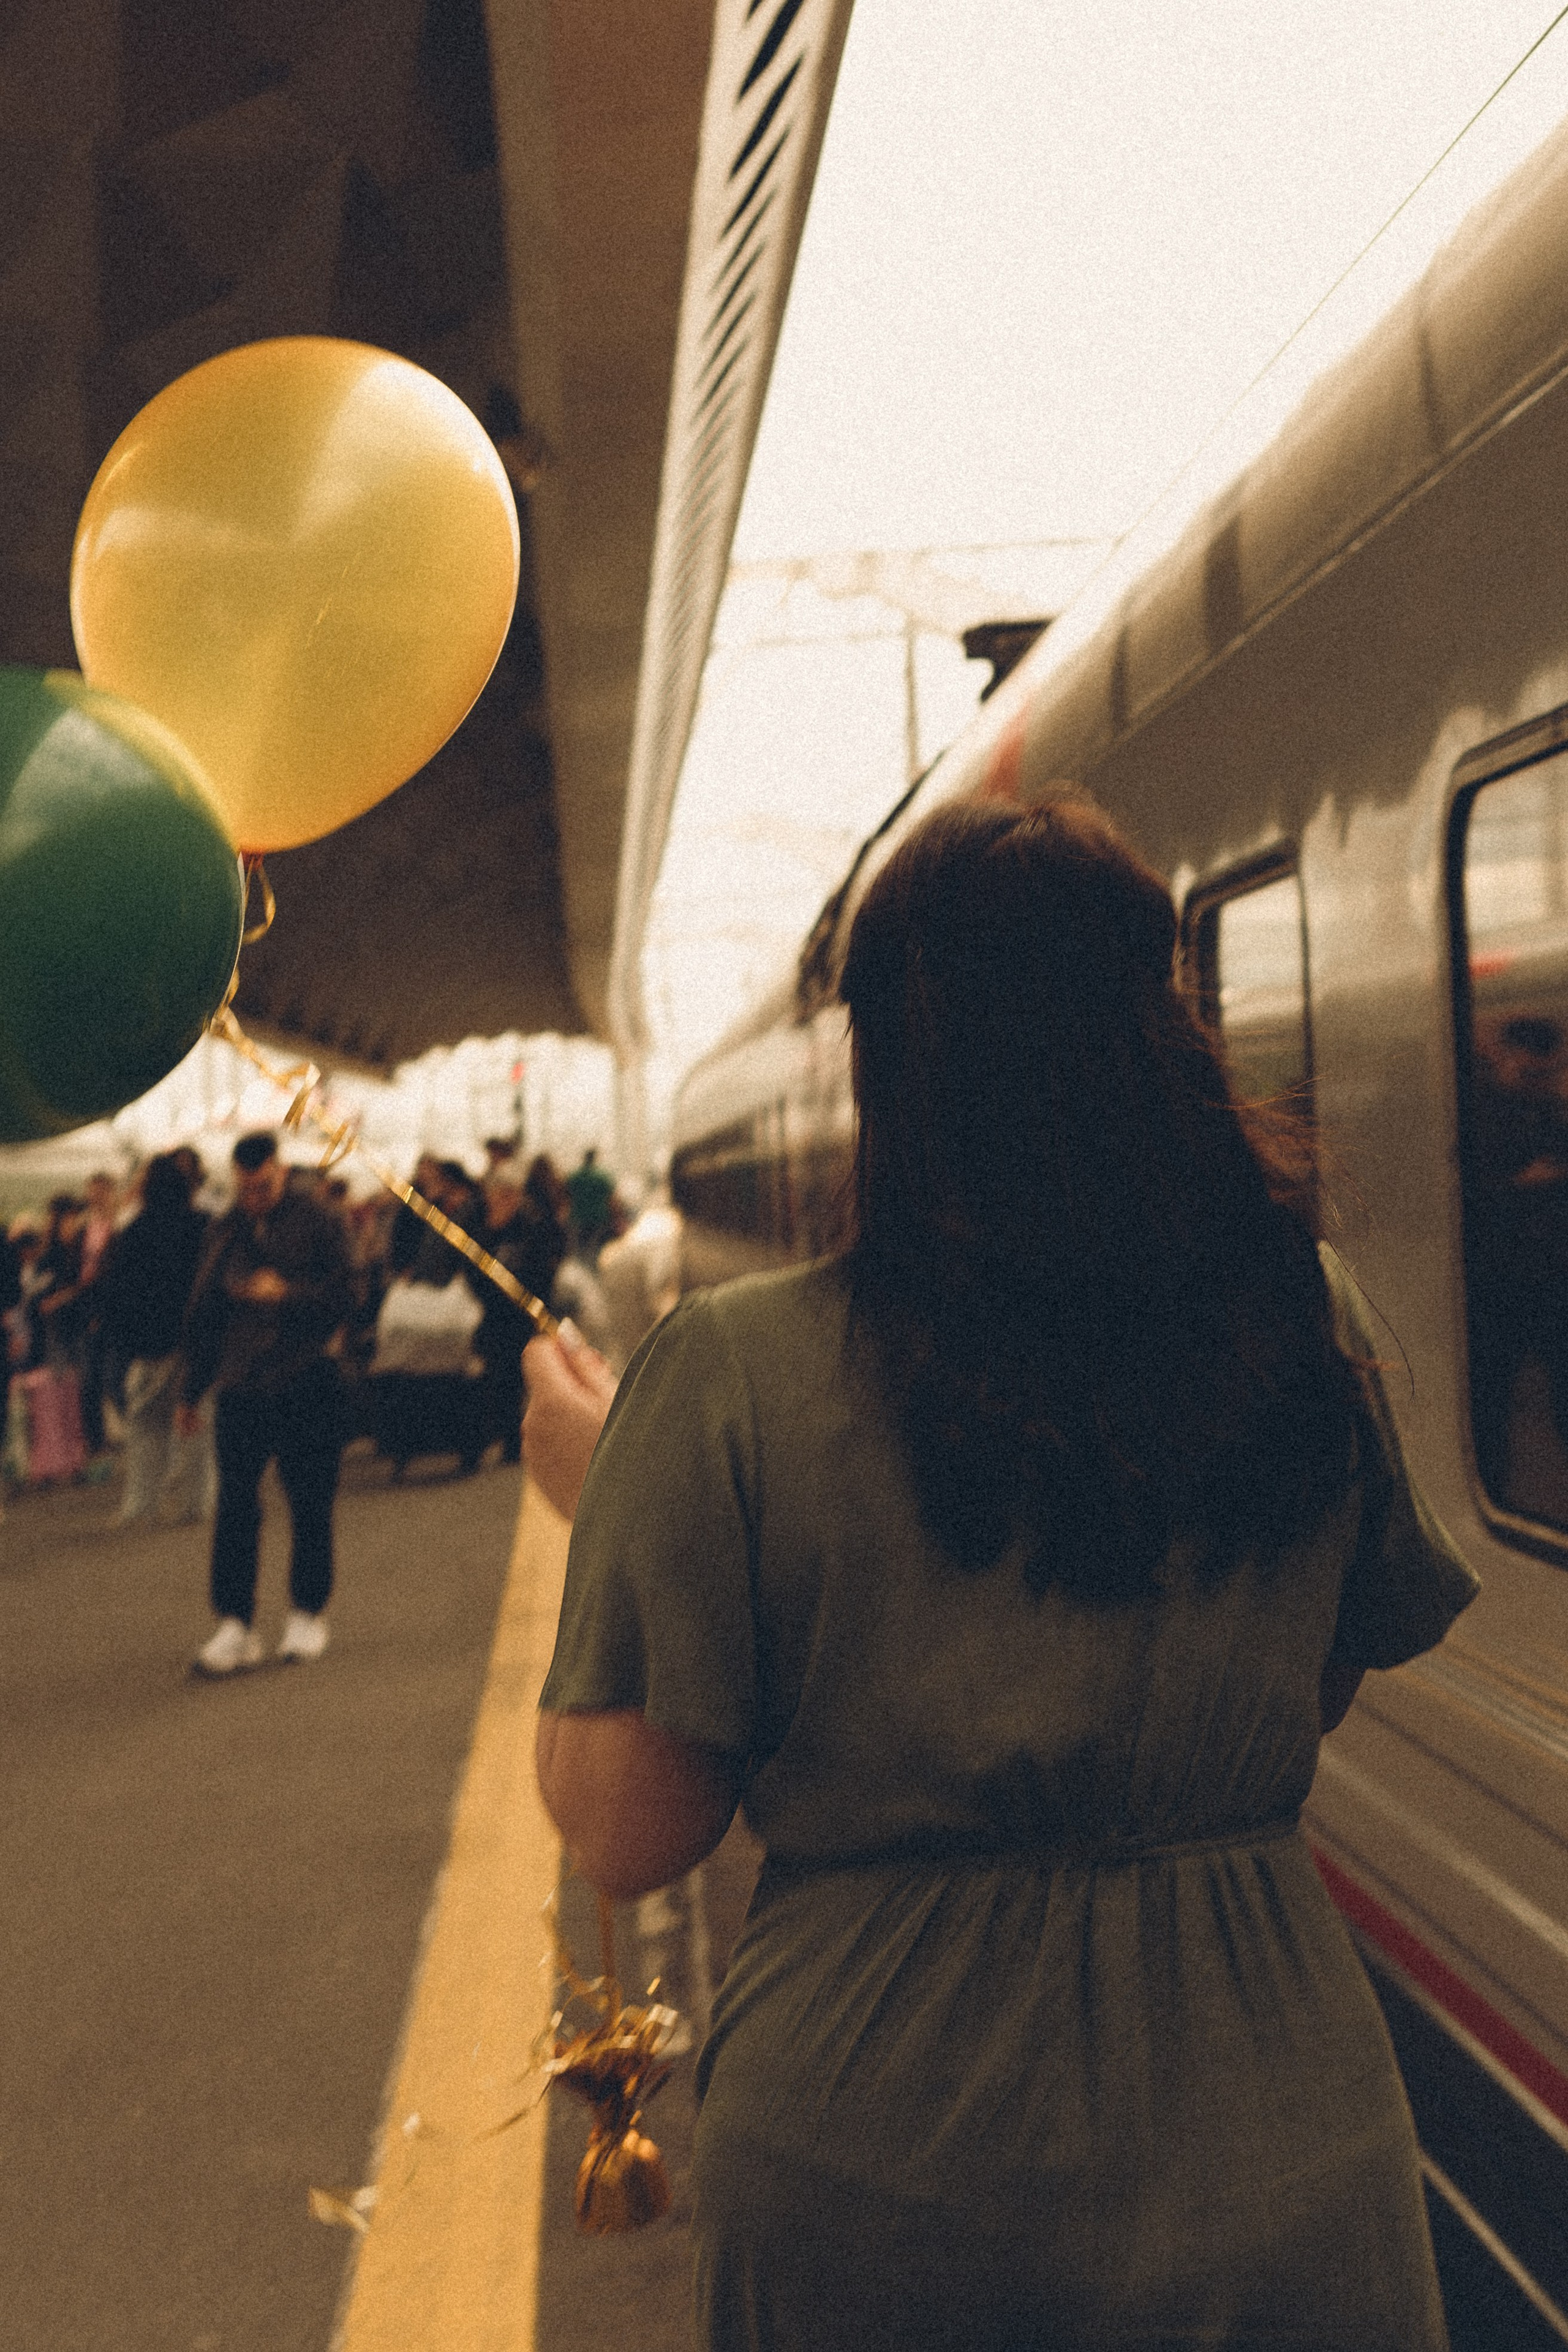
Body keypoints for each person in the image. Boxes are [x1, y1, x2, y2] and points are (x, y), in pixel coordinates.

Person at [524, 797, 1479, 2352]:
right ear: (1159, 1025)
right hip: (1273, 2123)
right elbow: (1307, 1691)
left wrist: (605, 1505)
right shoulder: (1303, 1316)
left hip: (881, 2161)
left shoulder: (728, 1376)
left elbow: (630, 1829)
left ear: (883, 1062)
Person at [178, 1133, 353, 1676]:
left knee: (309, 1501)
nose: (254, 1197)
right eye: (245, 1188)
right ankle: (236, 1624)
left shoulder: (321, 1220)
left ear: (281, 1172)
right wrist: (191, 1390)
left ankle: (307, 1612)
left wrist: (288, 1294)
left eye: (263, 1187)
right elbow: (204, 1310)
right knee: (235, 1506)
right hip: (241, 1385)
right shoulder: (225, 1228)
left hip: (306, 1378)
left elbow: (350, 1294)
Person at [97, 1153, 213, 1525]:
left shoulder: (133, 1231)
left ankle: (141, 1505)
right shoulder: (203, 1227)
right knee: (194, 1423)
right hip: (193, 1343)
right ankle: (196, 1504)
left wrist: (126, 1340)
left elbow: (114, 1291)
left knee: (146, 1426)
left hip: (147, 1347)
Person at [564, 1145, 616, 1260]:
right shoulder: (602, 1177)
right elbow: (612, 1199)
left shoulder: (574, 1177)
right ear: (595, 1158)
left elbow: (566, 1197)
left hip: (578, 1218)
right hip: (599, 1218)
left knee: (579, 1252)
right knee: (597, 1250)